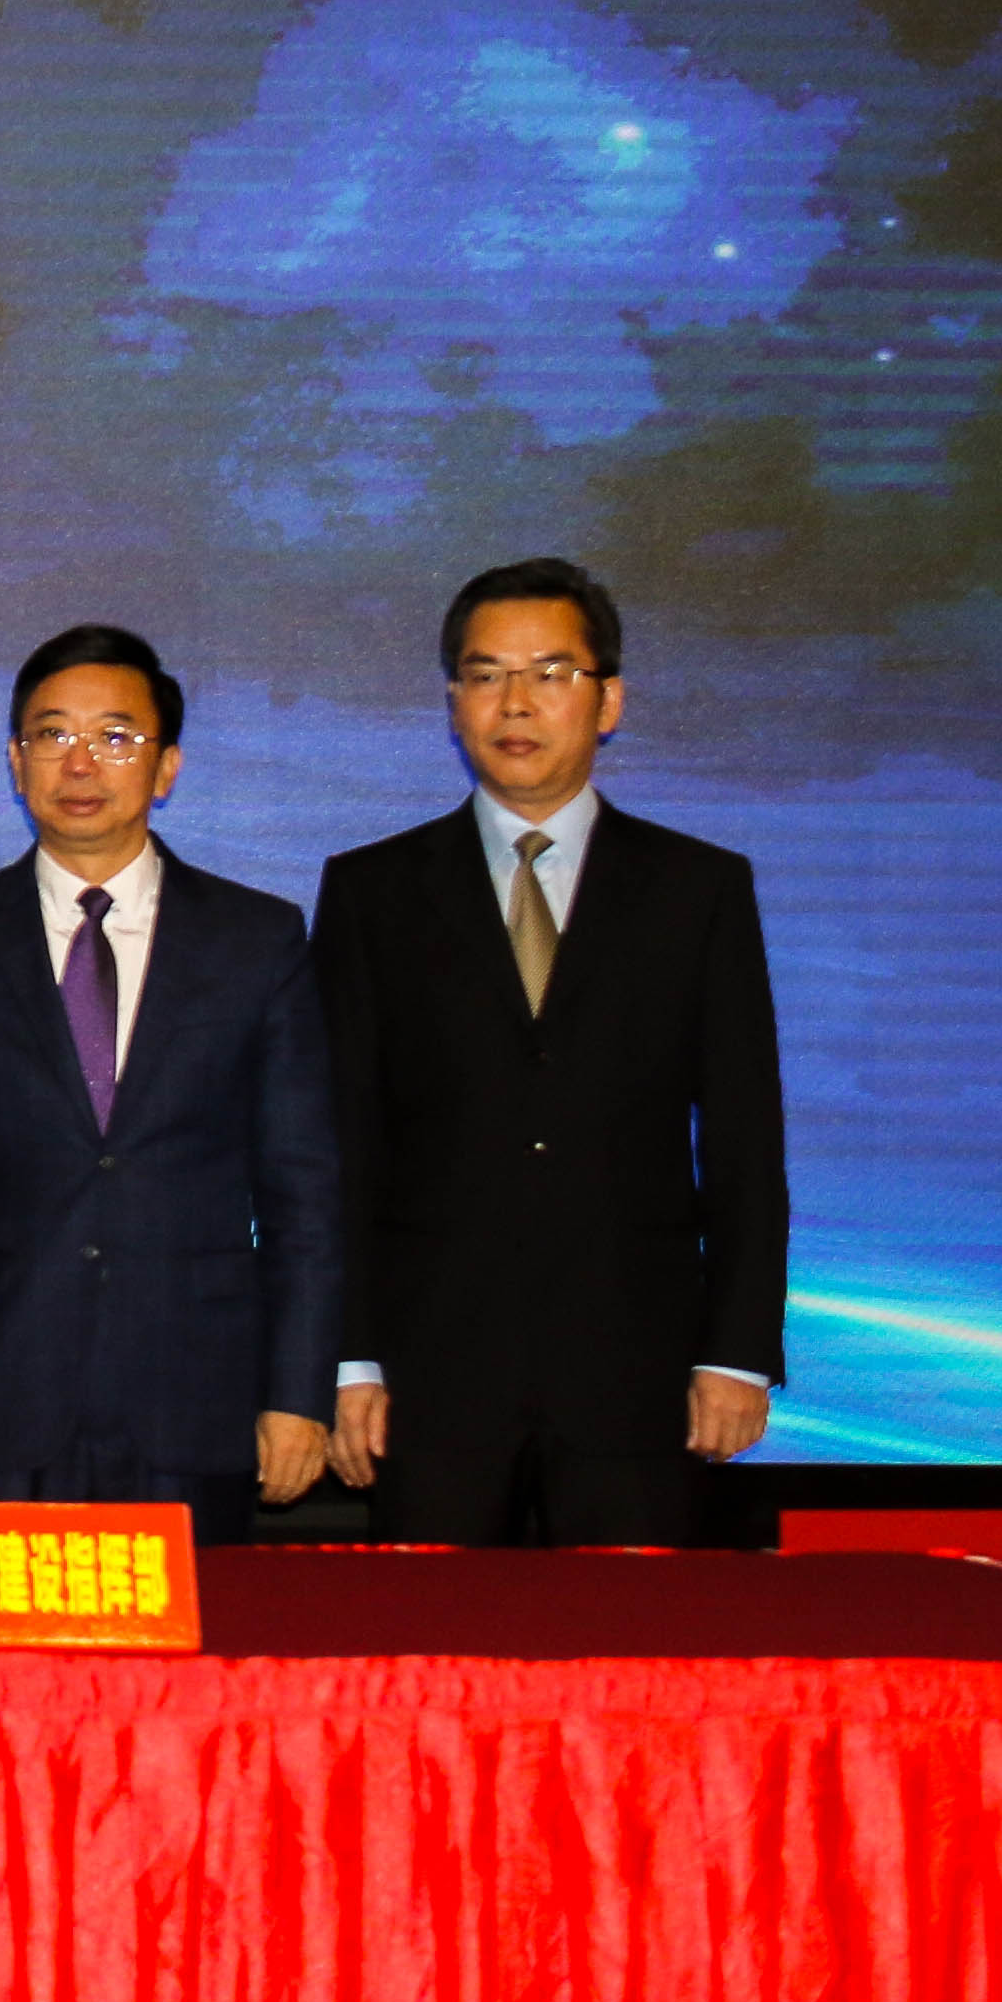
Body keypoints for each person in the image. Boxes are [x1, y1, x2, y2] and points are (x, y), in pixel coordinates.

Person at [312, 559, 788, 1546]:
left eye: (550, 673)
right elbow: (340, 1144)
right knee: (435, 1637)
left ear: (609, 701)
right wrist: (350, 1357)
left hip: (638, 1372)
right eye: (486, 675)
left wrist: (738, 1351)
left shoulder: (698, 889)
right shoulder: (372, 892)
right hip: (431, 1373)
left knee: (630, 1632)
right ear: (454, 703)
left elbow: (745, 1135)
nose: (515, 703)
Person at [0, 624, 343, 1542]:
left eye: (116, 737)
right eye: (52, 734)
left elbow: (303, 1192)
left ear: (166, 767)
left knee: (186, 1641)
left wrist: (297, 1393)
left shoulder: (256, 938)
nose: (80, 762)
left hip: (195, 1398)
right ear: (16, 761)